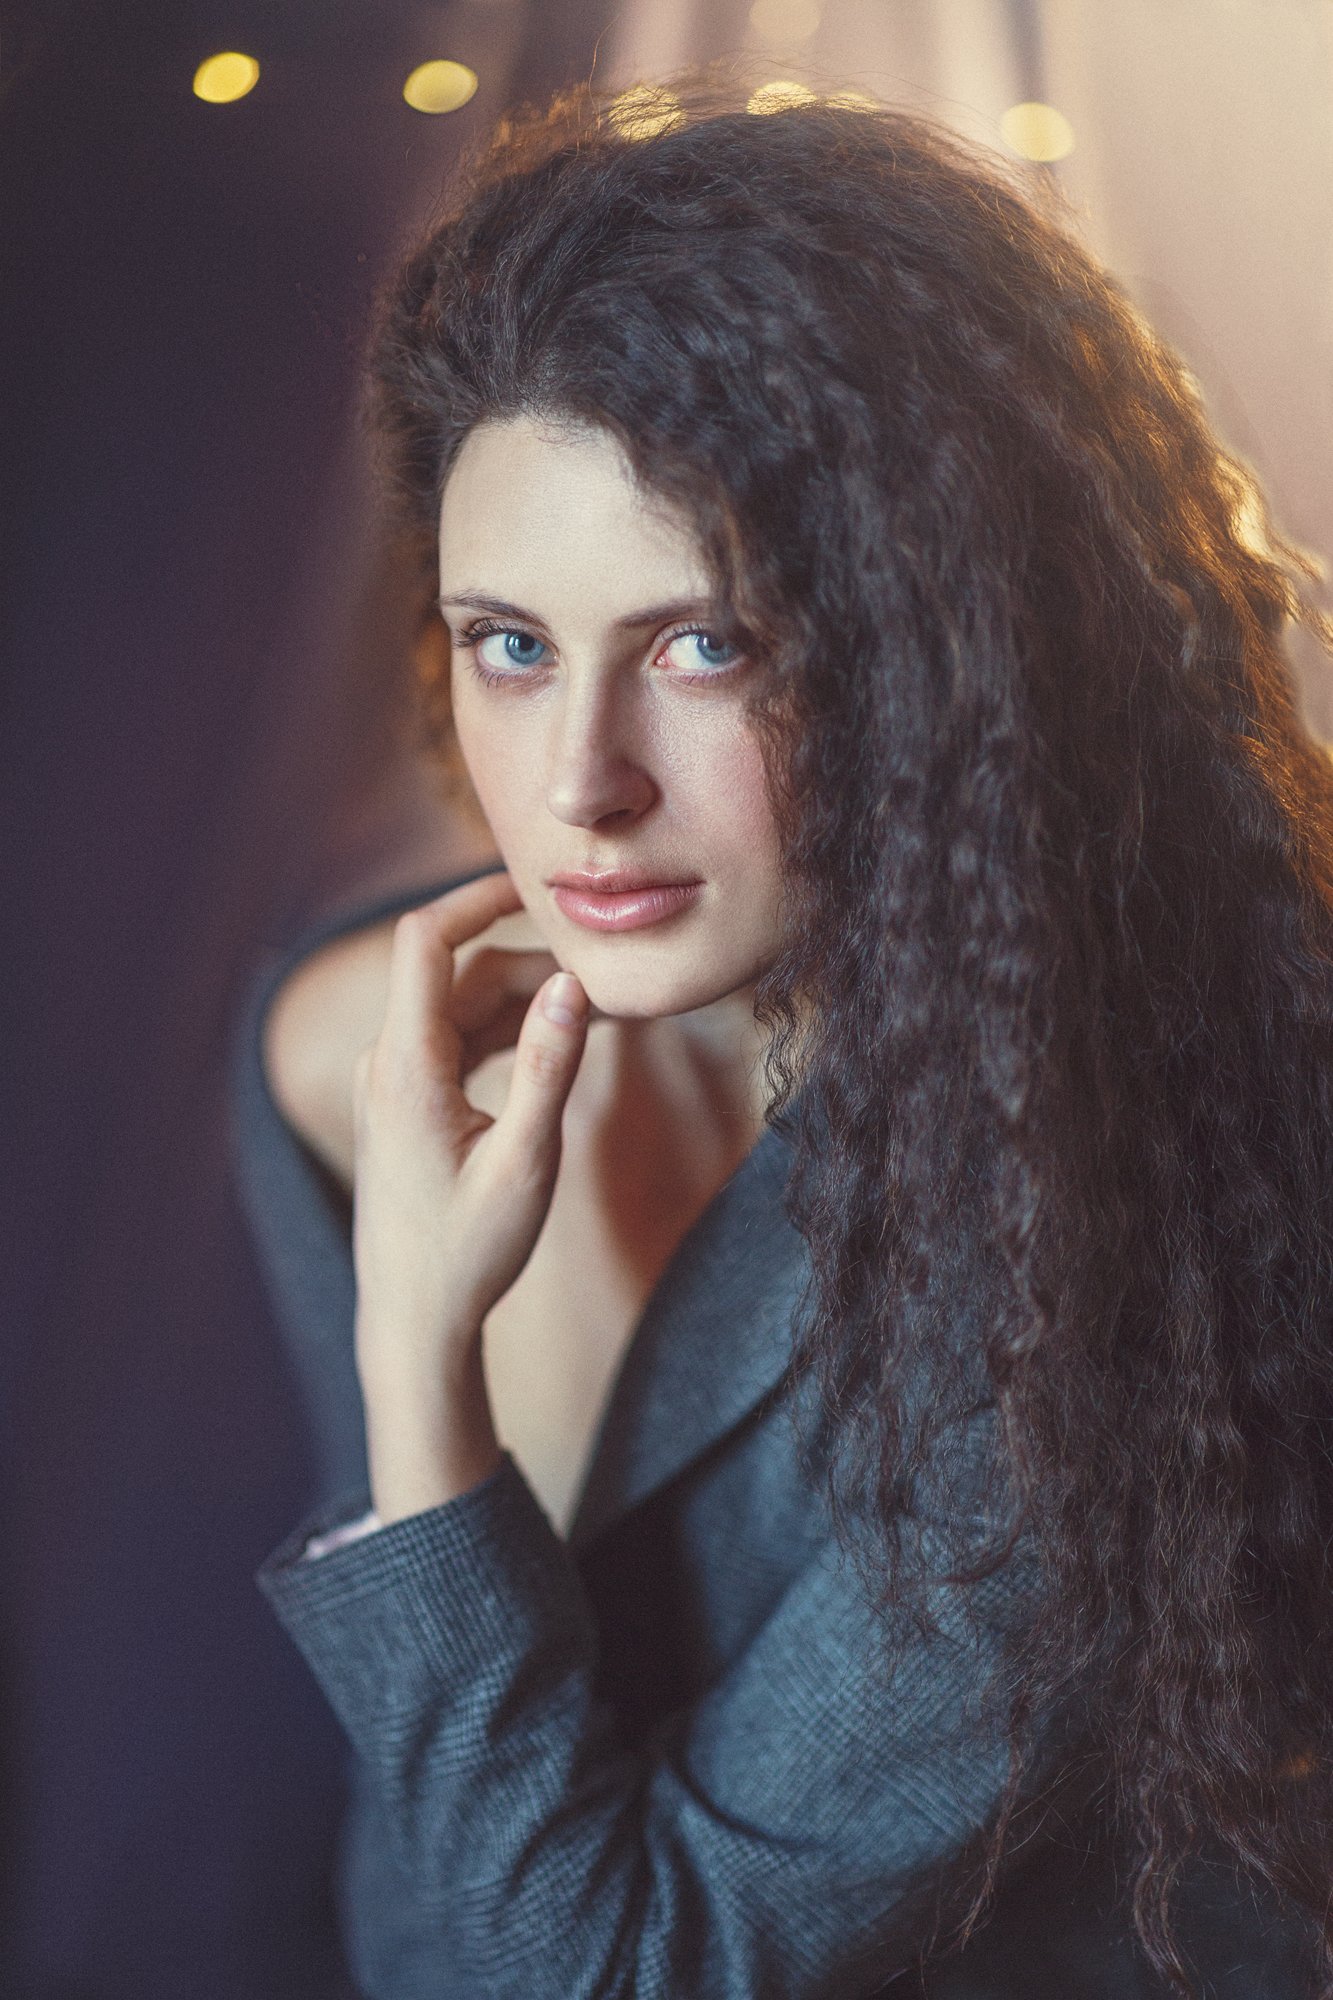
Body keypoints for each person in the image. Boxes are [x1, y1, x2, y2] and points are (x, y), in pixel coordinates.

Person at [234, 76, 1333, 1997]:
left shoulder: (1125, 1213)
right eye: (511, 643)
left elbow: (608, 1971)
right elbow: (429, 1892)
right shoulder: (362, 1050)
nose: (578, 787)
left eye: (704, 644)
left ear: (944, 652)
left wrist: (422, 1363)